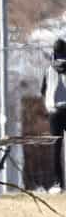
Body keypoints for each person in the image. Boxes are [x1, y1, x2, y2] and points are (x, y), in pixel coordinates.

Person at [40, 40, 66, 192]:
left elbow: (43, 90)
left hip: (54, 112)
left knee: (56, 149)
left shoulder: (49, 70)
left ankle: (58, 183)